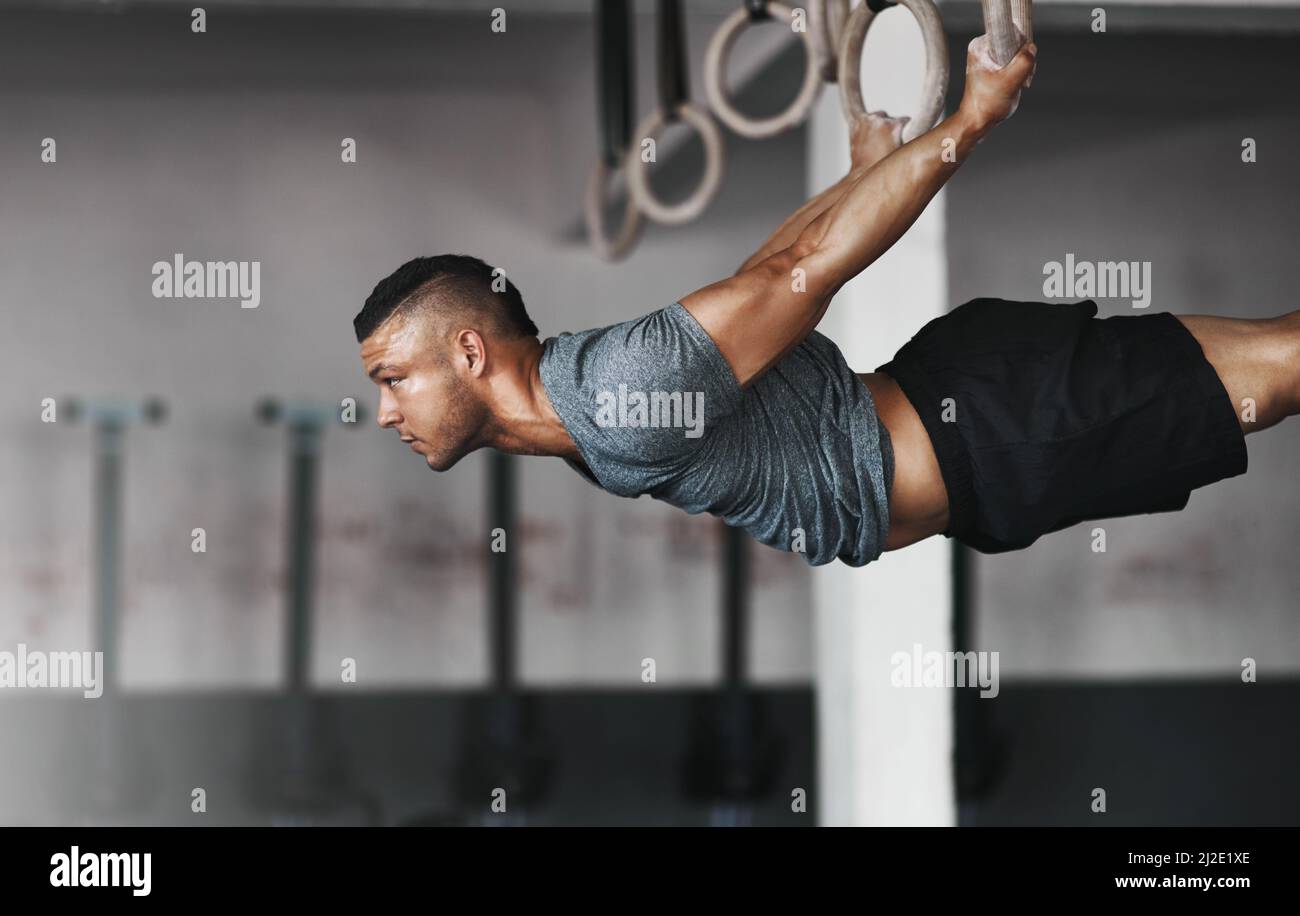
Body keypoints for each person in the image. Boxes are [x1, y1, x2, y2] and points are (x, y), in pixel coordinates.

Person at [354, 40, 1296, 567]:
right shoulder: (583, 409)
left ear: (471, 353)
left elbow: (790, 275)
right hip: (986, 435)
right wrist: (860, 171)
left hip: (1006, 429)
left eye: (393, 377)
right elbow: (771, 273)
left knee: (1289, 367)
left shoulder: (614, 397)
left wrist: (972, 120)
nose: (384, 410)